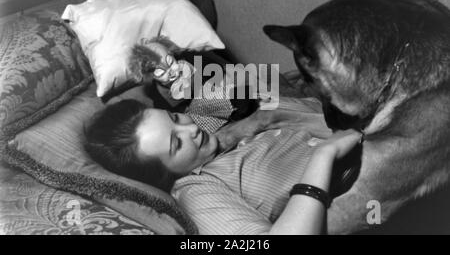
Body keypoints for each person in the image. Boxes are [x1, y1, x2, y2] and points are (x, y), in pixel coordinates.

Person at [84, 95, 361, 235]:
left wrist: (263, 120)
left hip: (366, 129)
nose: (190, 129)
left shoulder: (225, 138)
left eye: (176, 118)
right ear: (163, 173)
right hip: (362, 176)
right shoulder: (195, 191)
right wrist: (323, 155)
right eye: (176, 144)